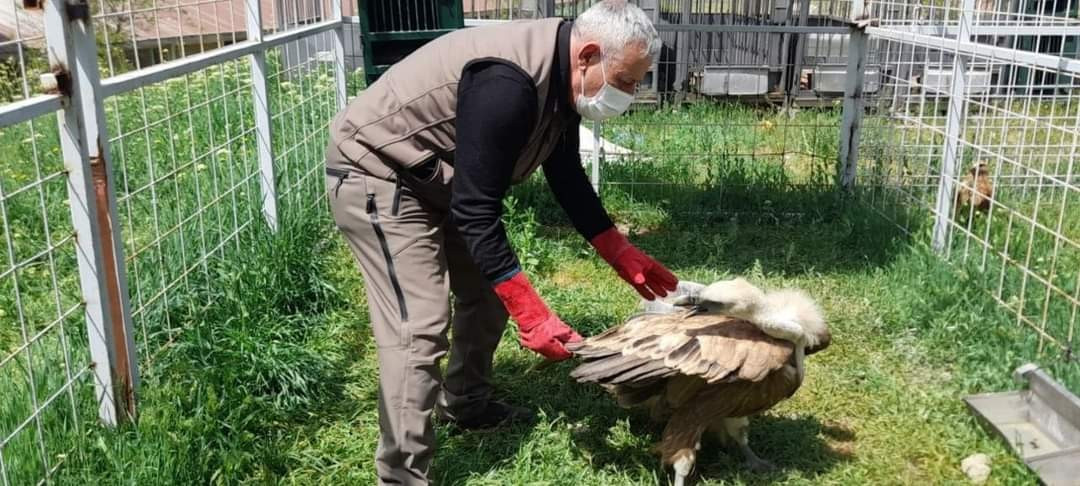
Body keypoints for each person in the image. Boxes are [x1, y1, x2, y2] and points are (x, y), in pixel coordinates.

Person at [323, 1, 678, 483]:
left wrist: (617, 249)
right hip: (378, 172)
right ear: (588, 55)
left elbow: (565, 173)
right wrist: (531, 312)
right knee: (418, 326)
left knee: (488, 294)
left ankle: (465, 403)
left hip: (438, 176)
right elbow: (476, 209)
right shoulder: (506, 84)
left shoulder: (563, 76)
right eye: (626, 80)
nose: (629, 94)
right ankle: (401, 475)